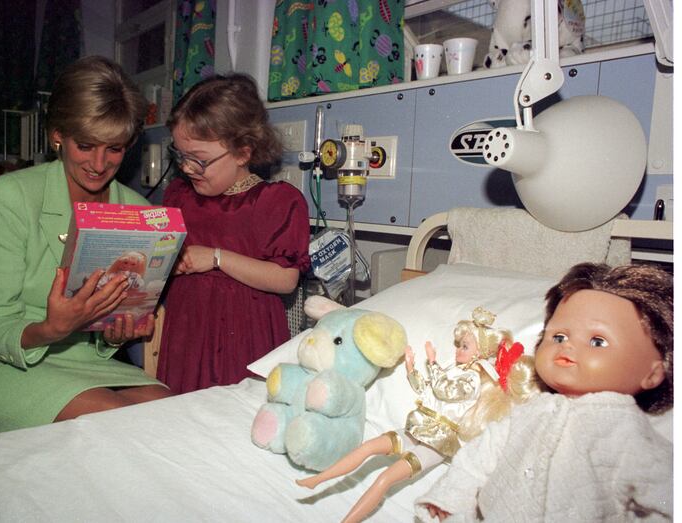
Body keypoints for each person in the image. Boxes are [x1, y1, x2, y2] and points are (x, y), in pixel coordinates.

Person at [0, 56, 173, 436]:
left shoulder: (139, 212)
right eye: (85, 145)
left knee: (170, 413)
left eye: (114, 149)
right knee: (117, 423)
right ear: (57, 136)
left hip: (83, 362)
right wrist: (51, 329)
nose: (99, 163)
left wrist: (114, 334)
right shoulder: (14, 195)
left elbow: (104, 330)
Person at [416, 262, 673, 521]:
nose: (567, 347)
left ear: (652, 374)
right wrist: (451, 498)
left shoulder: (626, 432)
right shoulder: (532, 411)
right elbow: (478, 457)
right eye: (559, 337)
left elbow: (665, 494)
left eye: (597, 341)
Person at [296, 307, 534, 523]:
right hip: (420, 426)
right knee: (368, 447)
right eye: (459, 344)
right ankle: (319, 479)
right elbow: (426, 390)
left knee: (385, 479)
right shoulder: (453, 369)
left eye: (465, 346)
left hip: (437, 444)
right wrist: (411, 368)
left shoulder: (473, 379)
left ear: (479, 352)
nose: (458, 350)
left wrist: (432, 362)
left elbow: (445, 390)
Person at [158, 73, 311, 394]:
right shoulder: (179, 197)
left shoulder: (275, 202)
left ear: (243, 152)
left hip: (245, 337)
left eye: (199, 160)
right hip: (187, 336)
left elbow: (286, 279)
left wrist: (216, 258)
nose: (186, 168)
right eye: (180, 155)